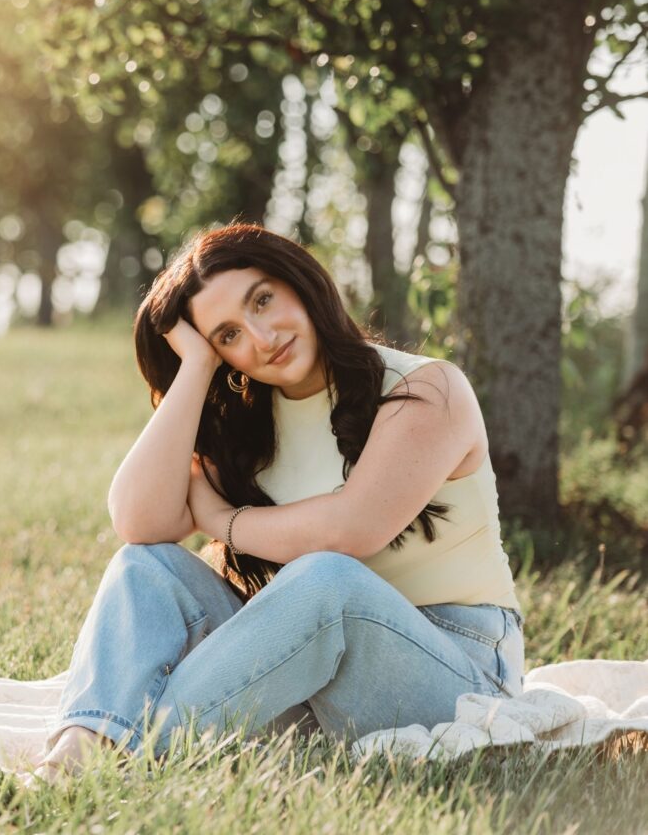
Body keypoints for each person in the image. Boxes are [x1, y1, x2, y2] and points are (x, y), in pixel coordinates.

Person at [27, 222, 525, 783]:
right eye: (228, 336)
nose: (262, 338)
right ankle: (74, 754)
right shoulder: (249, 424)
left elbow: (350, 529)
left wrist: (222, 521)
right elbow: (138, 522)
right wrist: (195, 369)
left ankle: (122, 752)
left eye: (262, 300)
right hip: (315, 678)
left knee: (327, 580)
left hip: (461, 677)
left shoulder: (427, 389)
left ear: (298, 281)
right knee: (147, 566)